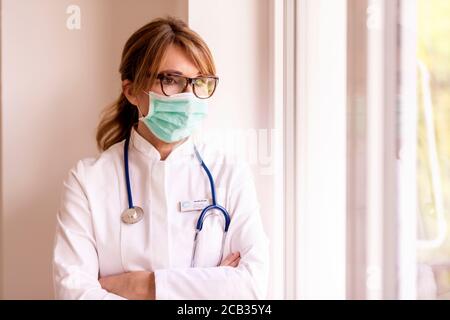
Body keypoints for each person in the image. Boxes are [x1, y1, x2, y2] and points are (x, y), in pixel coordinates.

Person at [52, 16, 269, 300]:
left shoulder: (230, 173)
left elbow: (250, 290)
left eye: (200, 83)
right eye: (171, 80)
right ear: (131, 91)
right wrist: (211, 286)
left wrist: (144, 285)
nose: (189, 96)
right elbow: (74, 294)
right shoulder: (87, 181)